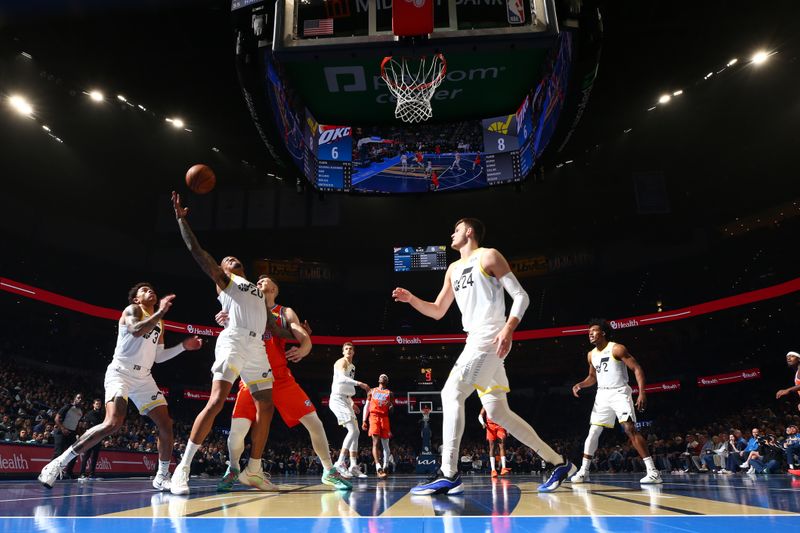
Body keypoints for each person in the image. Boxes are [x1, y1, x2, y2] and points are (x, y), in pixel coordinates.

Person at [393, 218, 573, 495]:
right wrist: (412, 299)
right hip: (475, 338)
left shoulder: (488, 255)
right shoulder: (452, 268)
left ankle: (448, 473)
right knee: (498, 412)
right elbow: (438, 310)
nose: (451, 234)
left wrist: (508, 329)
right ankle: (559, 463)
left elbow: (521, 296)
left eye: (455, 229)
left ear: (469, 231)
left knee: (450, 394)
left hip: (491, 336)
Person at [38, 282, 202, 489]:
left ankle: (161, 476)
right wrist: (160, 311)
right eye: (144, 290)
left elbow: (158, 357)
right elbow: (135, 330)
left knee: (166, 423)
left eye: (151, 288)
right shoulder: (132, 310)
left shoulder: (160, 323)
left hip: (143, 378)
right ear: (136, 299)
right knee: (113, 423)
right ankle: (57, 463)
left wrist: (182, 347)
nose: (149, 290)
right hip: (120, 373)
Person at [170, 191, 275, 495]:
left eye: (233, 258)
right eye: (225, 260)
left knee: (266, 406)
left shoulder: (254, 289)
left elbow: (266, 322)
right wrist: (181, 220)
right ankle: (184, 467)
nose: (229, 259)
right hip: (234, 342)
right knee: (216, 402)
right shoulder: (225, 282)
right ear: (223, 271)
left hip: (257, 347)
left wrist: (295, 337)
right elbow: (197, 251)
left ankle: (253, 470)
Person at [214, 276, 351, 491]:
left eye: (265, 281)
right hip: (251, 378)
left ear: (275, 289)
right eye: (257, 282)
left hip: (280, 378)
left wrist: (305, 347)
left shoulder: (284, 312)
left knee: (315, 422)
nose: (259, 283)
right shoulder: (246, 305)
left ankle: (328, 471)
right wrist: (226, 319)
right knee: (237, 432)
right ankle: (232, 469)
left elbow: (301, 334)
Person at [570, 319, 662, 484]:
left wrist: (641, 393)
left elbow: (637, 368)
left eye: (594, 330)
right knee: (593, 432)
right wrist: (580, 384)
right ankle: (584, 471)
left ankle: (653, 471)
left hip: (619, 392)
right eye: (589, 331)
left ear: (603, 333)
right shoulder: (591, 354)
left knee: (629, 428)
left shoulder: (617, 348)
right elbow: (592, 377)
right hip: (602, 395)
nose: (590, 333)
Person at [330, 342, 370, 479]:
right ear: (343, 352)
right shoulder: (341, 362)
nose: (348, 350)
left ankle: (353, 466)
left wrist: (352, 402)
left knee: (356, 432)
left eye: (351, 349)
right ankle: (339, 463)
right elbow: (341, 379)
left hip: (346, 400)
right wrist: (360, 384)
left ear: (354, 352)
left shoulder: (352, 366)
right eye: (346, 348)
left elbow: (345, 386)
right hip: (337, 399)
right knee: (352, 431)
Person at [362, 374, 394, 479]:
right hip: (374, 416)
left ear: (387, 381)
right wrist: (364, 420)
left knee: (386, 445)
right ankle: (378, 467)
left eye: (385, 376)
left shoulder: (390, 393)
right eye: (381, 376)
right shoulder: (372, 391)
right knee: (375, 443)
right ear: (378, 379)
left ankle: (386, 465)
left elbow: (392, 410)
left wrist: (391, 406)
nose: (383, 376)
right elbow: (366, 406)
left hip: (384, 418)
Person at [50, 393, 84, 479]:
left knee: (74, 453)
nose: (80, 400)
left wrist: (78, 434)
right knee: (58, 453)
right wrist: (63, 429)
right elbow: (56, 418)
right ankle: (51, 472)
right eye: (78, 398)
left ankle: (69, 472)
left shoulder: (80, 412)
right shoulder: (67, 407)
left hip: (71, 434)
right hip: (61, 432)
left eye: (81, 399)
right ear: (74, 399)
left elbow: (76, 424)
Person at [478, 407, 511, 477]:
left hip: (500, 426)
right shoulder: (486, 404)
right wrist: (483, 423)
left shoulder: (499, 402)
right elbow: (480, 415)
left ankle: (503, 468)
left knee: (502, 446)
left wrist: (508, 429)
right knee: (492, 447)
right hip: (490, 427)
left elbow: (506, 416)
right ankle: (493, 470)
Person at [78, 399, 105, 480]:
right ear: (93, 405)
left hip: (98, 438)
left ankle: (92, 473)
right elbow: (85, 426)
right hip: (90, 437)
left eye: (99, 404)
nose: (98, 405)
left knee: (95, 456)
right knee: (87, 455)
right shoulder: (89, 414)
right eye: (96, 404)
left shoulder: (102, 414)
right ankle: (82, 474)